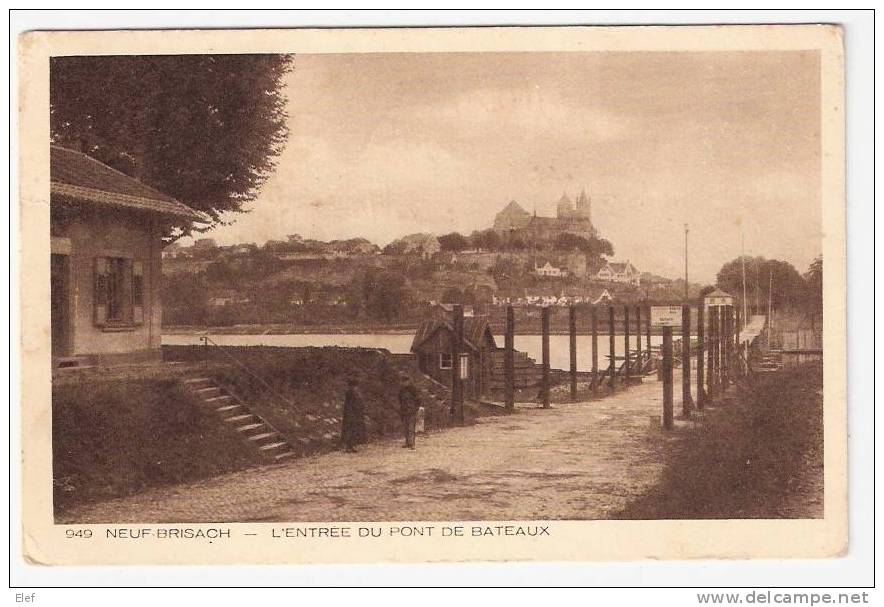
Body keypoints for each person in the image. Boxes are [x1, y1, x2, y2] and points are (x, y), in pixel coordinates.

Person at [398, 373, 421, 449]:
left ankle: (412, 443)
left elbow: (418, 399)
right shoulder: (401, 390)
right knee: (406, 427)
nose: (404, 383)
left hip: (411, 410)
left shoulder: (413, 389)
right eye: (403, 381)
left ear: (409, 381)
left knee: (411, 427)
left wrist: (416, 408)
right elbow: (400, 400)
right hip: (404, 410)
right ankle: (407, 442)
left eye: (406, 381)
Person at [341, 378, 365, 453]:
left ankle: (350, 446)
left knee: (352, 430)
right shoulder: (350, 392)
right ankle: (348, 446)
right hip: (351, 414)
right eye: (355, 386)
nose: (356, 387)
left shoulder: (353, 392)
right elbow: (352, 404)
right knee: (350, 430)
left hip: (353, 414)